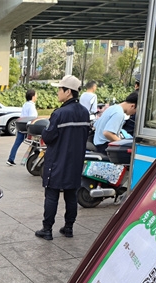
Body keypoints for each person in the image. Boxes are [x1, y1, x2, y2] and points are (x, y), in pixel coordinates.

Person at [35, 75, 90, 241]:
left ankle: (47, 229)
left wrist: (44, 131)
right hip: (75, 162)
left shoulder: (59, 114)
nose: (58, 92)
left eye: (60, 89)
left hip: (57, 161)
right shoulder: (84, 113)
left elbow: (48, 136)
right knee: (71, 196)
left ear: (68, 92)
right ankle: (68, 227)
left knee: (51, 195)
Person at [6, 88, 37, 166]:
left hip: (21, 126)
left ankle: (10, 159)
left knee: (16, 144)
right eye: (36, 95)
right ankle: (36, 156)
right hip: (27, 127)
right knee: (35, 142)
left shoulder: (25, 104)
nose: (37, 96)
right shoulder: (31, 106)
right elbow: (32, 118)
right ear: (33, 96)